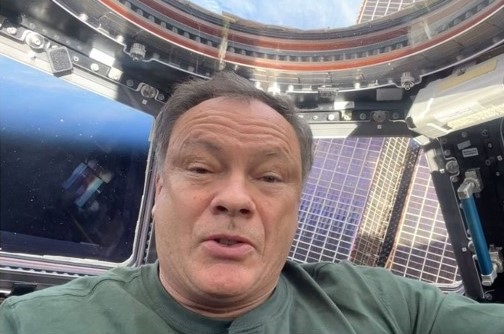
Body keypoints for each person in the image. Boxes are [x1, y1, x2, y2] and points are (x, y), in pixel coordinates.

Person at [0, 72, 503, 334]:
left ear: (296, 207)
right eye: (200, 168)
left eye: (269, 176)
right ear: (158, 193)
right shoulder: (29, 325)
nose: (236, 199)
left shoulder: (392, 308)